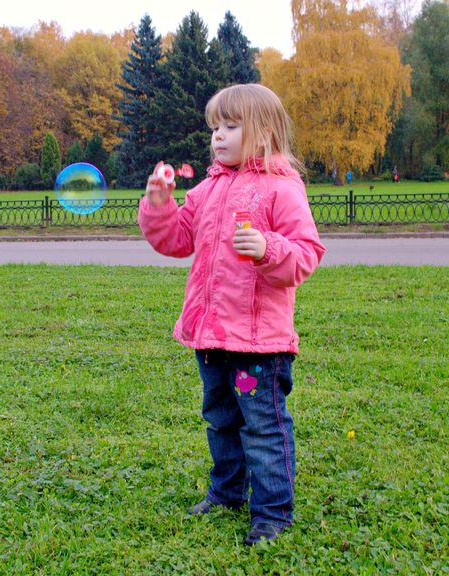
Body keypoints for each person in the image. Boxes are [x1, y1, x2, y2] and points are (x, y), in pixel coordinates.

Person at [138, 84, 325, 546]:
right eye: (214, 128)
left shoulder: (282, 188)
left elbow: (306, 254)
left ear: (262, 131)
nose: (218, 136)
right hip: (211, 336)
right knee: (221, 418)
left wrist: (268, 248)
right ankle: (226, 493)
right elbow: (178, 240)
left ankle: (272, 513)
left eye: (230, 126)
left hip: (258, 344)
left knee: (262, 425)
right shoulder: (207, 190)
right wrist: (160, 206)